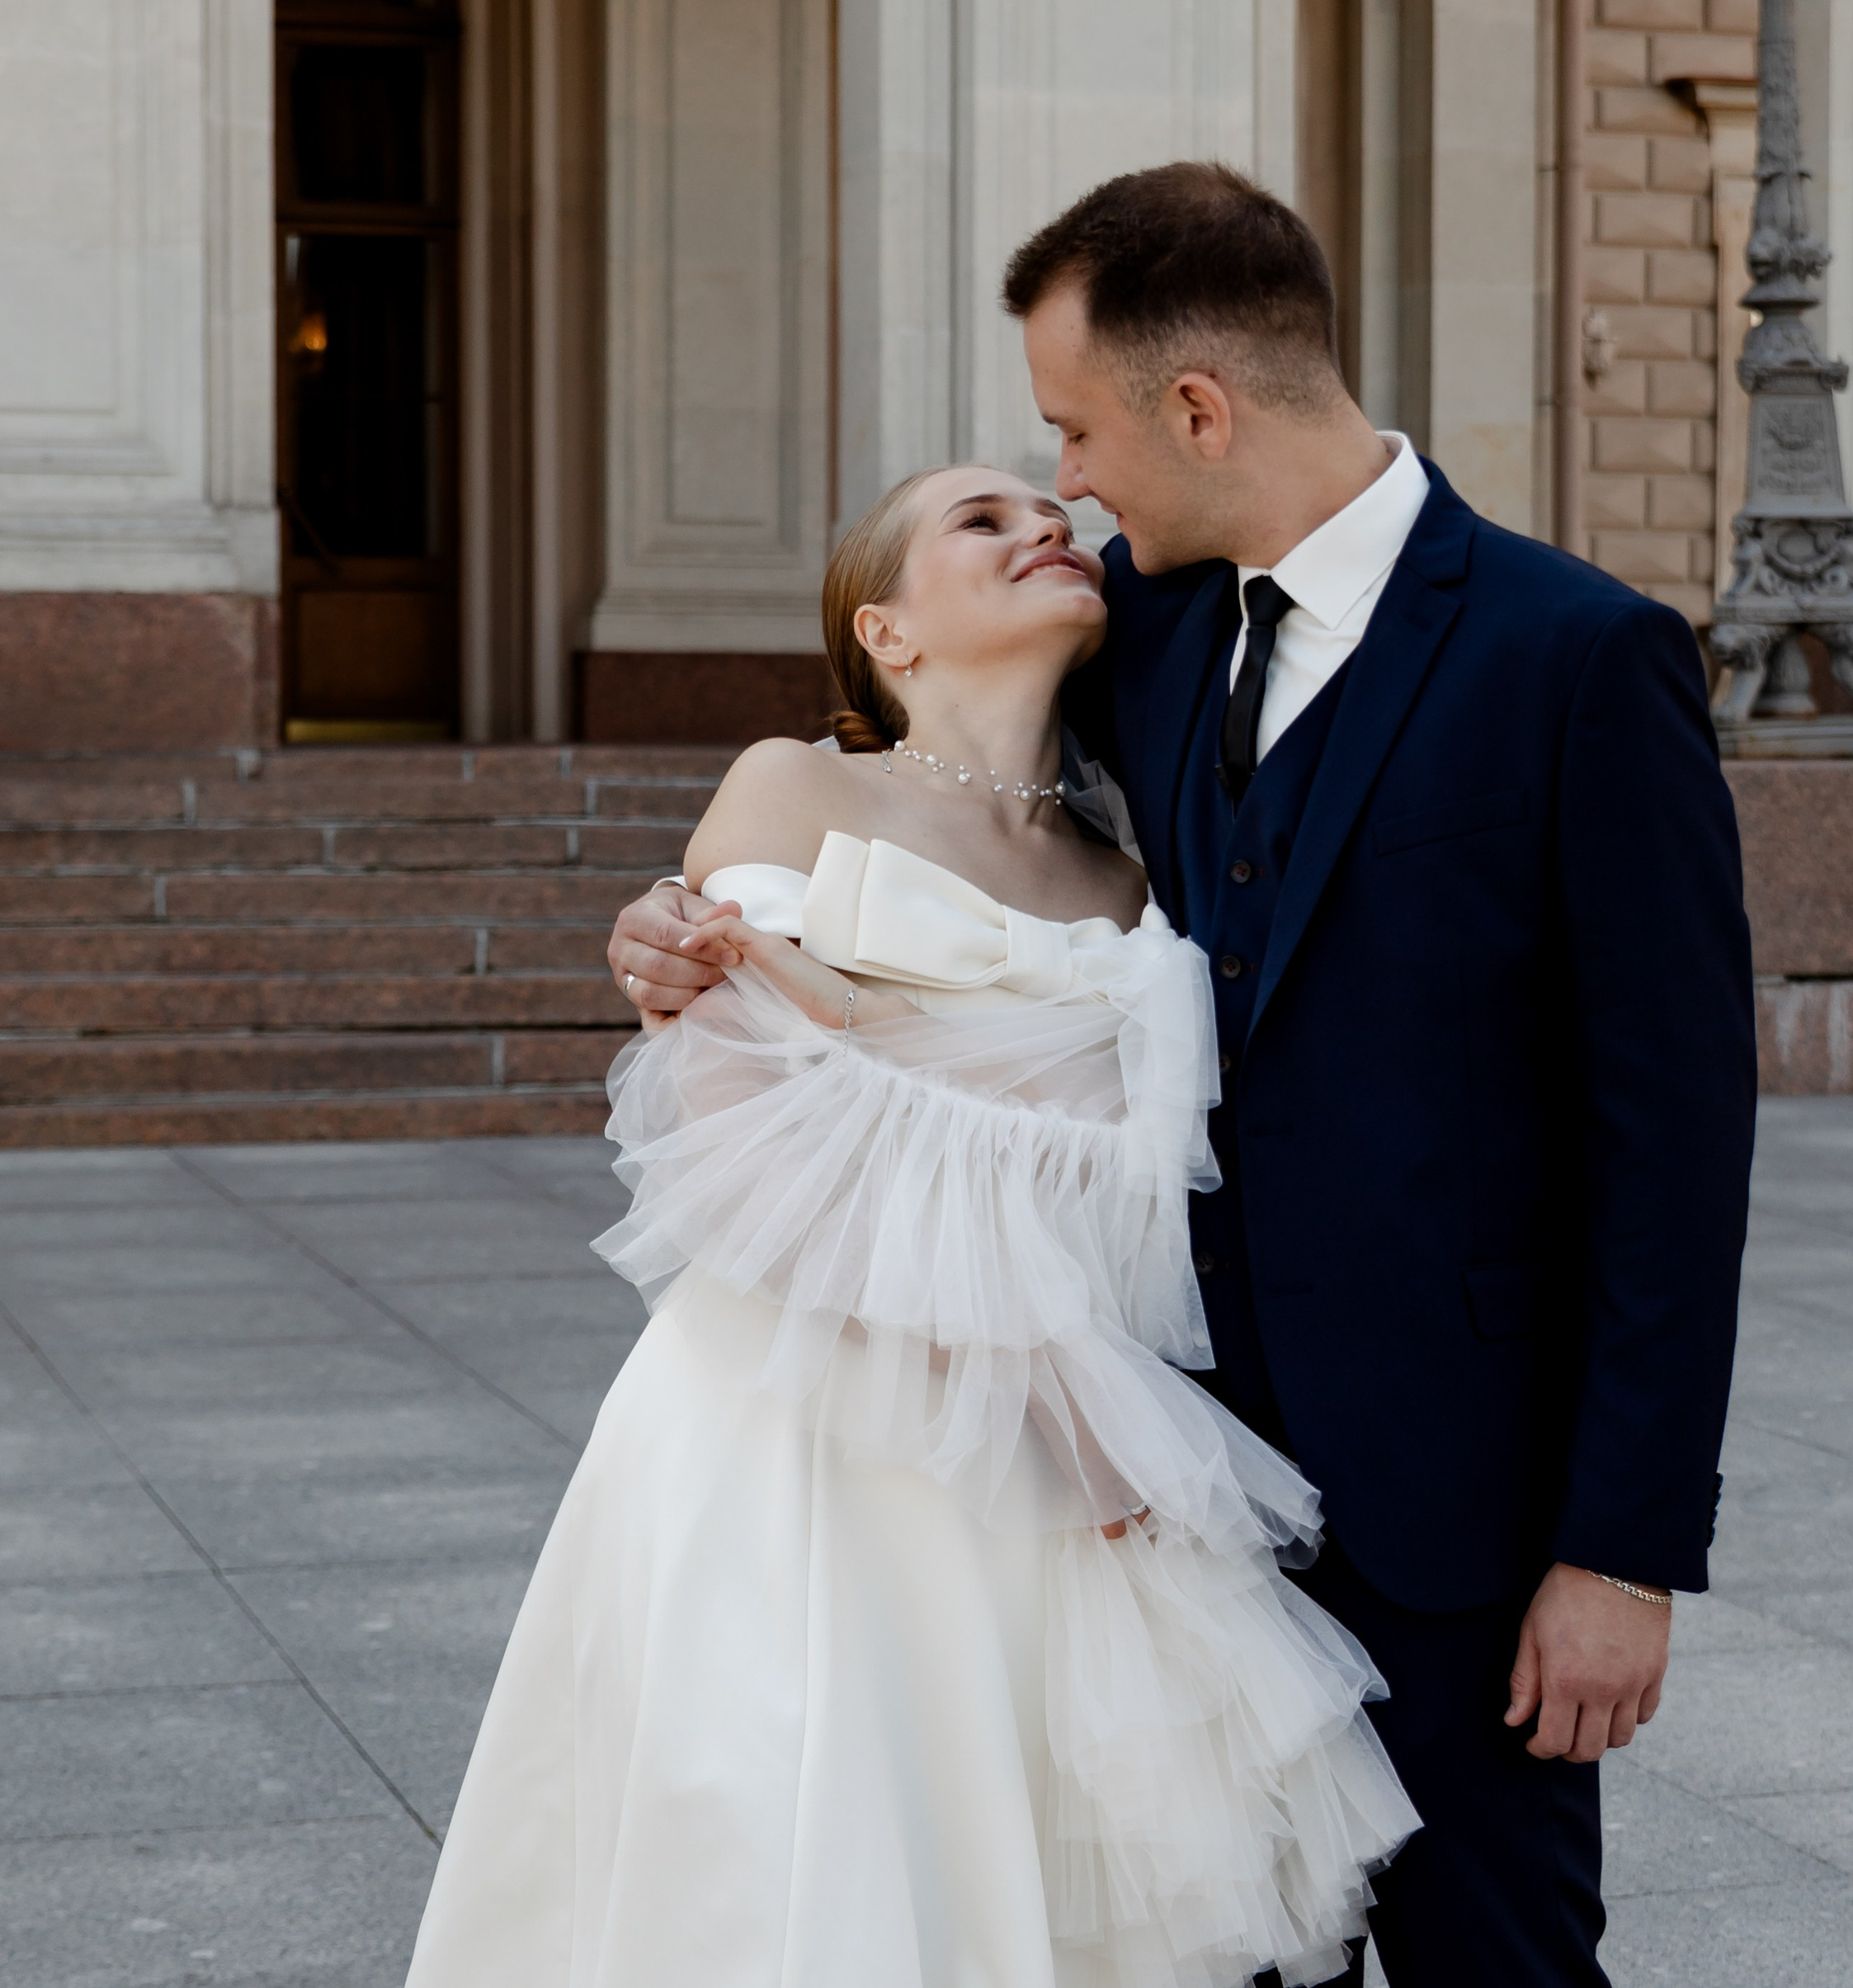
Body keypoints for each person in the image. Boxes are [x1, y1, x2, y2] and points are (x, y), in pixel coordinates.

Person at [610, 163, 1757, 1986]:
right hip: (1135, 1493)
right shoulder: (1132, 633)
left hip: (1448, 1513)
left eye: (1073, 430)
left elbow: (1674, 1147)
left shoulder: (1574, 658)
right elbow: (907, 808)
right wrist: (673, 935)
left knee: (1502, 1964)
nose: (1068, 482)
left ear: (1197, 407)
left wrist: (1621, 1547)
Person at [408, 458, 1417, 1988]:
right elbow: (746, 1133)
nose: (1044, 529)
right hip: (821, 1435)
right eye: (984, 520)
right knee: (790, 1855)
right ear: (885, 632)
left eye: (1051, 511)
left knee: (1044, 1882)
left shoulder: (1140, 878)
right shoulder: (796, 788)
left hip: (1085, 1467)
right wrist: (1066, 1411)